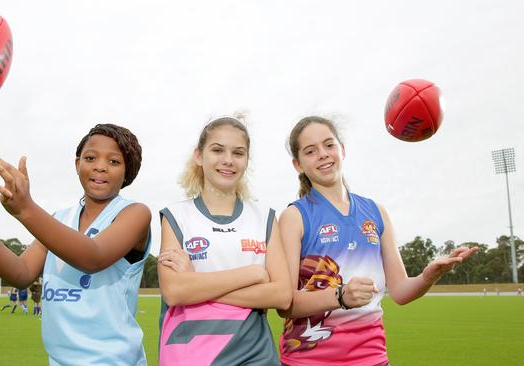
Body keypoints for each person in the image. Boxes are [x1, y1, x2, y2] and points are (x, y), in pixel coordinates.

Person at [278, 116, 479, 366]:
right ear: (298, 164)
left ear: (342, 149)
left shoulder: (376, 212)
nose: (322, 154)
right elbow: (285, 303)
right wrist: (340, 296)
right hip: (309, 361)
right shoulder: (294, 217)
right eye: (311, 151)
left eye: (329, 145)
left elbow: (400, 292)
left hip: (372, 358)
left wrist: (429, 276)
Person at [0, 123, 151, 365]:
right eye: (91, 157)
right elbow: (22, 273)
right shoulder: (60, 218)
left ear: (127, 172)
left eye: (114, 162)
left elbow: (93, 257)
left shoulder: (135, 213)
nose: (100, 166)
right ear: (77, 163)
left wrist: (25, 208)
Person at [157, 117, 292, 365]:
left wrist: (196, 286)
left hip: (255, 357)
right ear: (199, 155)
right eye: (217, 150)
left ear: (246, 160)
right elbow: (175, 292)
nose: (228, 160)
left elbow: (282, 295)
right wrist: (253, 273)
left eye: (238, 153)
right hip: (190, 356)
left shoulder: (265, 217)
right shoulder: (175, 216)